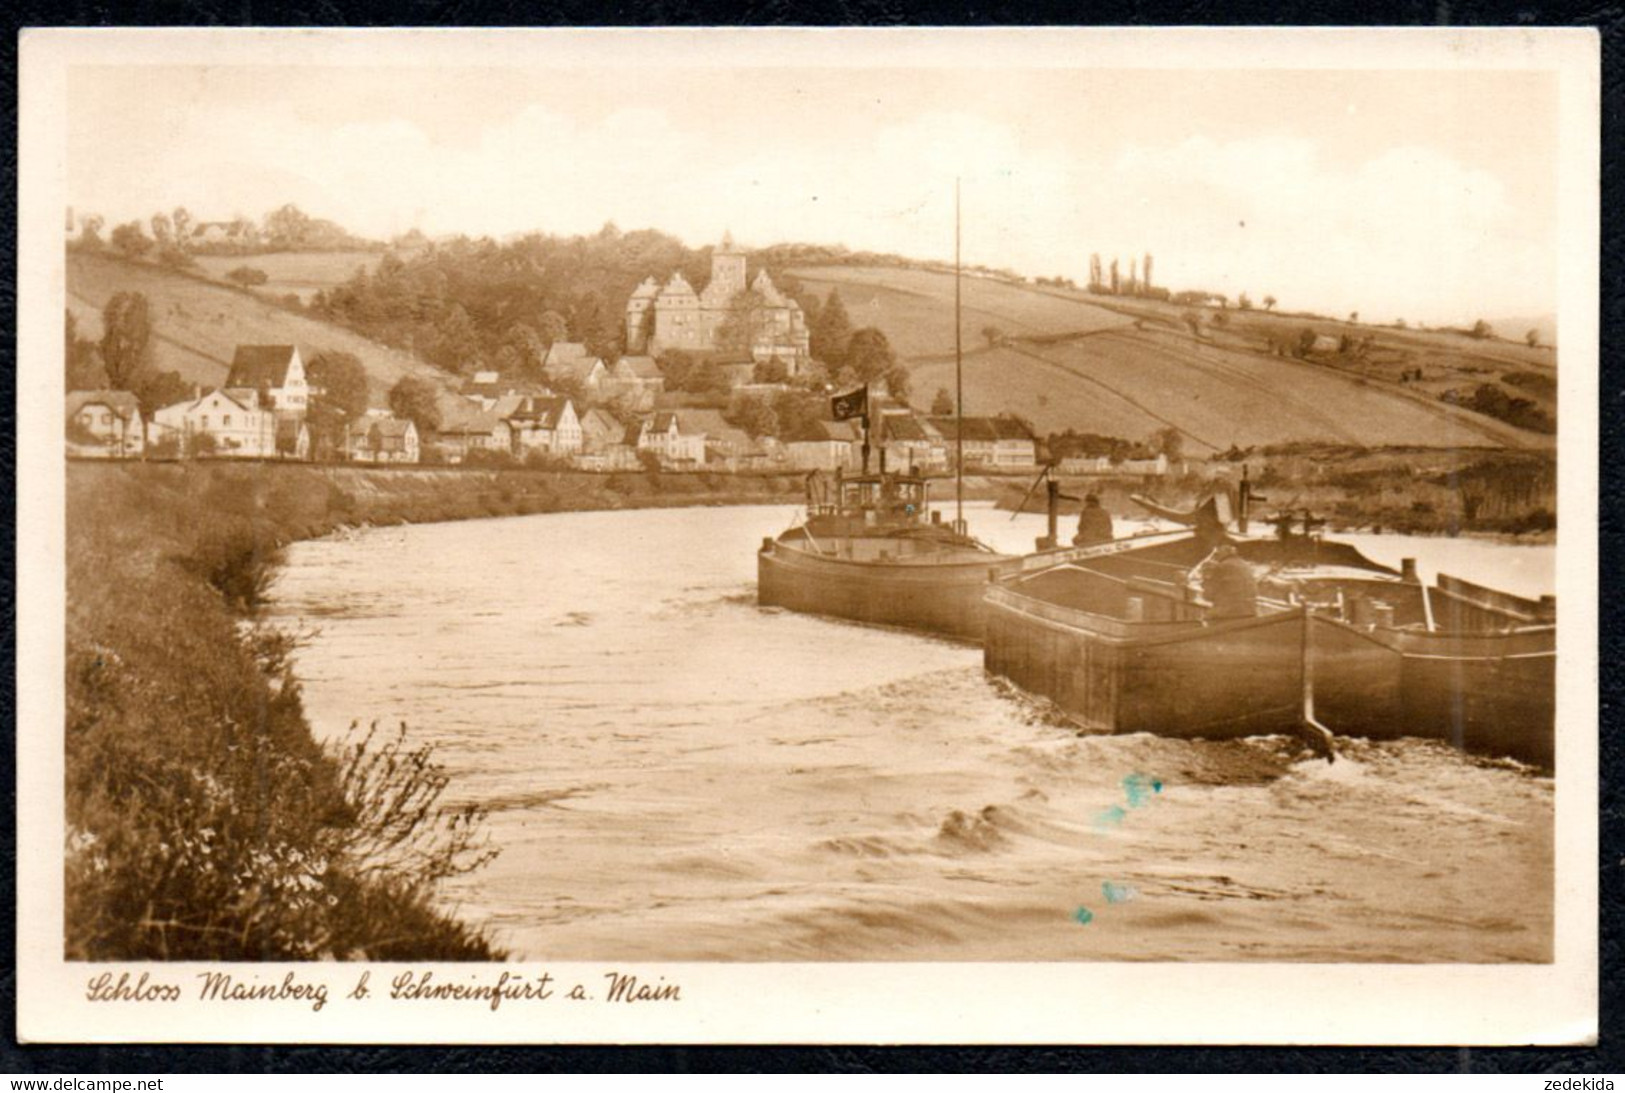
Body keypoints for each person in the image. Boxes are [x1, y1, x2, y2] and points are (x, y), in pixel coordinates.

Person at [1201, 545, 1259, 619]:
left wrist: (1206, 579)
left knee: (1204, 619)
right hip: (1251, 611)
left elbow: (1208, 596)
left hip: (1228, 613)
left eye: (1217, 553)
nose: (1215, 556)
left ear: (1222, 553)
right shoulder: (1246, 565)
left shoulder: (1221, 567)